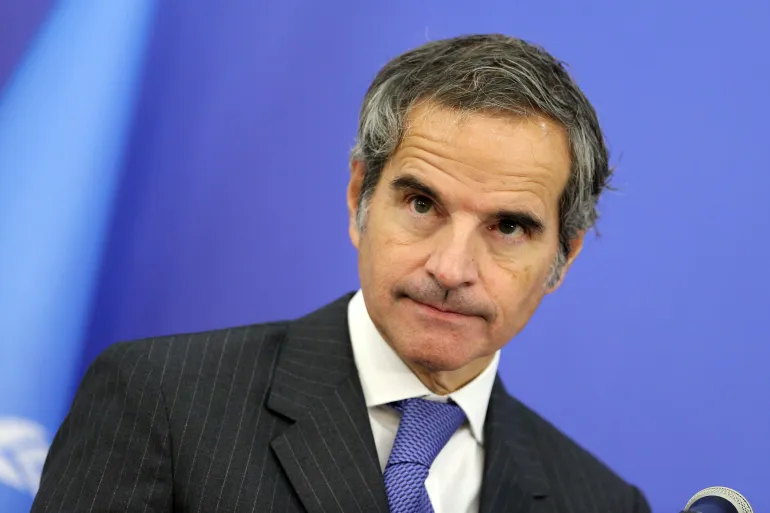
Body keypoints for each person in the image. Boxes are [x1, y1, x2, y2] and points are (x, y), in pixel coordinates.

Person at [32, 34, 651, 513]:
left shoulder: (601, 503)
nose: (451, 268)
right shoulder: (161, 402)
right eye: (421, 204)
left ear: (564, 256)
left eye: (508, 227)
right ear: (360, 197)